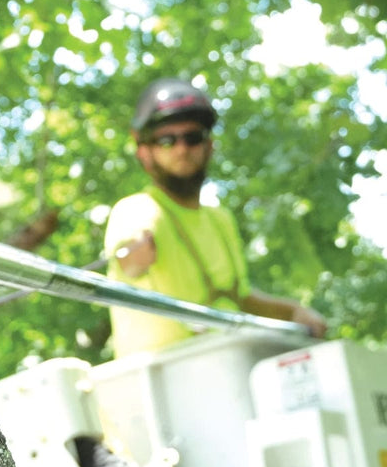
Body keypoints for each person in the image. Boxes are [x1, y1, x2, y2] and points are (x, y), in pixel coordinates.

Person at [104, 77, 327, 359]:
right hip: (160, 389)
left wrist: (293, 311)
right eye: (166, 140)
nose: (182, 148)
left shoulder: (221, 220)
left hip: (231, 374)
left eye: (192, 137)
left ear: (209, 146)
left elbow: (241, 297)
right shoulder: (137, 209)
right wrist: (134, 254)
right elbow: (127, 260)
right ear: (145, 152)